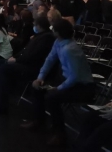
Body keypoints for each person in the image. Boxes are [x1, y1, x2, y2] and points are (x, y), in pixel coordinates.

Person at [22, 19, 95, 147]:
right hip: (69, 81)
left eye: (53, 29)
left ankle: (60, 134)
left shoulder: (69, 49)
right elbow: (49, 60)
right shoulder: (58, 42)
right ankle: (39, 121)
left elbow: (75, 76)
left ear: (58, 32)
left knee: (52, 98)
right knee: (37, 88)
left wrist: (59, 88)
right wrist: (40, 77)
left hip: (82, 87)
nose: (52, 31)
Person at [0, 17, 55, 114]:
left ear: (39, 26)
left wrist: (17, 60)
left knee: (4, 68)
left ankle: (2, 105)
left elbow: (35, 55)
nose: (33, 26)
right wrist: (14, 57)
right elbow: (25, 51)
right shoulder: (39, 35)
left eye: (35, 25)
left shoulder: (46, 38)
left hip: (33, 67)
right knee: (0, 64)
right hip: (26, 62)